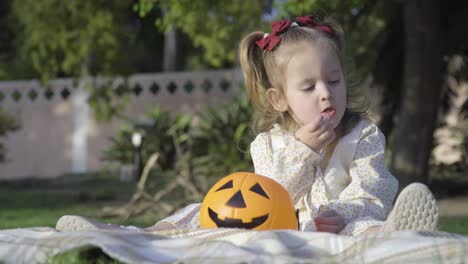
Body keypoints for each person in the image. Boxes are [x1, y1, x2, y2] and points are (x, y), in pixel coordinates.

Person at [56, 14, 439, 235]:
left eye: (333, 81)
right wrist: (302, 149)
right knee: (198, 210)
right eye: (308, 87)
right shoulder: (269, 144)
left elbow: (374, 191)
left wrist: (343, 215)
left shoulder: (363, 134)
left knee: (365, 227)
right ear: (279, 98)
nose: (326, 94)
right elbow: (269, 194)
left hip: (338, 224)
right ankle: (122, 235)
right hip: (276, 224)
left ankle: (396, 235)